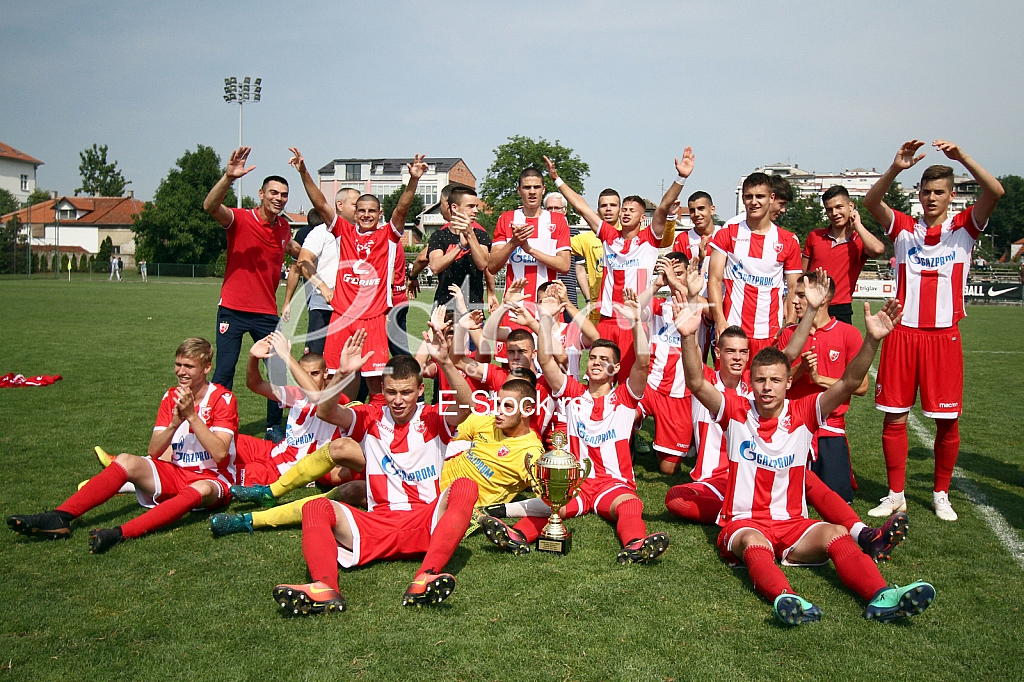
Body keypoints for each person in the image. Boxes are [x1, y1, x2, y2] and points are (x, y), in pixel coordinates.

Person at [677, 292, 935, 625]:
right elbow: (697, 382)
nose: (767, 388)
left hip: (793, 524)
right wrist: (687, 337)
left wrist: (872, 341)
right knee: (755, 542)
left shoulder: (804, 411)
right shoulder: (736, 411)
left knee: (834, 534)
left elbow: (849, 382)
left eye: (774, 380)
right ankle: (786, 596)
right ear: (751, 383)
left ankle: (882, 596)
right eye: (760, 380)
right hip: (744, 523)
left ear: (788, 382)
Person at [270, 325, 481, 614]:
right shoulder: (369, 415)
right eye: (392, 391)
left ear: (420, 390)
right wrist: (343, 374)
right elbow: (326, 412)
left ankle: (427, 575)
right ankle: (324, 586)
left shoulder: (432, 416)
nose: (398, 399)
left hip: (424, 520)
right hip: (377, 524)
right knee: (316, 507)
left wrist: (445, 362)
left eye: (406, 392)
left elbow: (469, 405)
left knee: (466, 487)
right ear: (382, 389)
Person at [664, 320, 907, 563]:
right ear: (717, 353)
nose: (736, 358)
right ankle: (743, 514)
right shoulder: (708, 380)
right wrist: (690, 327)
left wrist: (810, 312)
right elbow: (693, 370)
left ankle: (864, 534)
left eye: (742, 352)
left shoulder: (758, 381)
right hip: (715, 481)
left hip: (761, 472)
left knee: (802, 474)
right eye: (729, 351)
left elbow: (788, 356)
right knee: (675, 499)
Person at [864, 140, 1004, 521]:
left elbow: (996, 191)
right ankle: (895, 495)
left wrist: (962, 158)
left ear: (951, 195)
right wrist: (895, 168)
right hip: (903, 332)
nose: (930, 198)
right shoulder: (905, 228)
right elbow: (871, 203)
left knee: (947, 420)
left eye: (938, 192)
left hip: (943, 335)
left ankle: (941, 493)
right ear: (918, 194)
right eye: (925, 191)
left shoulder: (966, 227)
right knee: (894, 416)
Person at [480, 289, 670, 564]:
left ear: (616, 369)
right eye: (593, 357)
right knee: (552, 505)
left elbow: (642, 363)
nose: (596, 363)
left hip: (614, 484)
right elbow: (545, 361)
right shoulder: (572, 392)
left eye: (604, 360)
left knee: (629, 505)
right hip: (577, 483)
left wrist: (637, 323)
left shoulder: (625, 398)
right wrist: (544, 320)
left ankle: (635, 545)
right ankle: (516, 536)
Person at [7, 338, 239, 554]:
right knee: (126, 459)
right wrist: (173, 425)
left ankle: (119, 534)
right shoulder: (171, 396)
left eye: (189, 366)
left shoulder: (222, 398)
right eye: (178, 364)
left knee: (201, 489)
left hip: (212, 478)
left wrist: (192, 416)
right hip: (177, 472)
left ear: (206, 368)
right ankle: (60, 517)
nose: (180, 371)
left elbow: (220, 455)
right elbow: (154, 451)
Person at [546, 150, 694, 381]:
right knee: (599, 379)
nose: (625, 213)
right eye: (623, 209)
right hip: (606, 320)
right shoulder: (609, 235)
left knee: (628, 380)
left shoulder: (649, 238)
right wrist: (557, 179)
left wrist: (681, 178)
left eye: (631, 210)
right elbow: (582, 208)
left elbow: (664, 206)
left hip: (632, 321)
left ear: (642, 216)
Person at [289, 148, 426, 398]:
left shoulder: (388, 235)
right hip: (342, 315)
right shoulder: (344, 231)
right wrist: (303, 172)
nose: (366, 215)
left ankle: (375, 428)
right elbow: (320, 203)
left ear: (379, 213)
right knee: (338, 377)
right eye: (361, 210)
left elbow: (402, 209)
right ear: (355, 212)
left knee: (375, 383)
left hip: (373, 318)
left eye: (371, 211)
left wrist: (414, 179)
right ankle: (342, 423)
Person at [203, 146, 293, 442]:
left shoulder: (284, 228)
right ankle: (215, 427)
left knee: (277, 371)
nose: (279, 198)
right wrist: (228, 178)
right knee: (224, 372)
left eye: (283, 195)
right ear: (261, 194)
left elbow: (294, 251)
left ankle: (273, 426)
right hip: (232, 309)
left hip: (267, 314)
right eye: (274, 193)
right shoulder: (240, 219)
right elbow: (210, 207)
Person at [776, 271, 868, 502]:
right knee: (784, 498)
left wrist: (820, 379)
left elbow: (862, 387)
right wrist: (801, 370)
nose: (793, 301)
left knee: (837, 499)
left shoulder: (849, 334)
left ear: (822, 297)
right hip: (792, 427)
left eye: (801, 295)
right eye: (793, 295)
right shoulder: (788, 334)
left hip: (830, 428)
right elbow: (777, 385)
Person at [707, 172, 802, 358]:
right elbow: (714, 279)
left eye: (760, 196)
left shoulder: (788, 240)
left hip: (770, 334)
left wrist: (789, 326)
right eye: (749, 196)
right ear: (743, 199)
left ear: (771, 197)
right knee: (728, 387)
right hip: (734, 332)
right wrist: (719, 319)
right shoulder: (726, 234)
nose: (754, 202)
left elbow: (793, 288)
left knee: (765, 387)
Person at [636, 253, 705, 474]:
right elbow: (634, 310)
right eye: (668, 274)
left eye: (678, 274)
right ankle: (621, 454)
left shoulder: (700, 303)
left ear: (688, 275)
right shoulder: (659, 306)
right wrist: (657, 283)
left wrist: (676, 284)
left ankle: (687, 440)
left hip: (680, 393)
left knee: (668, 469)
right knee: (622, 415)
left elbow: (707, 309)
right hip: (651, 385)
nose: (672, 279)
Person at [487, 167, 571, 328]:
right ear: (519, 190)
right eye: (527, 187)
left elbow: (564, 265)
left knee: (548, 352)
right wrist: (513, 242)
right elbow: (492, 266)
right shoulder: (507, 219)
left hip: (548, 306)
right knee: (514, 353)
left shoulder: (558, 221)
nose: (532, 192)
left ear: (543, 189)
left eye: (536, 187)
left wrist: (529, 249)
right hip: (514, 307)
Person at [802, 186, 886, 324]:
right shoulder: (815, 236)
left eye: (839, 207)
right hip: (812, 305)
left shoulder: (859, 240)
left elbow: (878, 250)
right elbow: (803, 275)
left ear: (851, 206)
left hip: (840, 308)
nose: (834, 213)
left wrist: (857, 225)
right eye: (829, 209)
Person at [296, 193, 358, 357]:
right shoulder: (321, 232)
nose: (360, 210)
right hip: (323, 307)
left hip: (354, 310)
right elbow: (303, 261)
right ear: (340, 205)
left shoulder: (365, 235)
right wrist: (324, 288)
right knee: (317, 361)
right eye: (355, 205)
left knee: (353, 362)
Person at [672, 191, 721, 359]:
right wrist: (699, 260)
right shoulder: (683, 239)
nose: (696, 214)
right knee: (694, 359)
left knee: (721, 360)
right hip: (695, 306)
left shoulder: (725, 235)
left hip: (721, 307)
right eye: (692, 210)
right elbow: (677, 275)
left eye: (701, 209)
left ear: (712, 209)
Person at [427, 186, 491, 309]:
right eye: (471, 206)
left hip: (473, 308)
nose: (476, 210)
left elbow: (483, 264)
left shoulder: (480, 235)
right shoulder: (439, 236)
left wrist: (470, 235)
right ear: (455, 208)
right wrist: (460, 246)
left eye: (476, 206)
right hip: (444, 308)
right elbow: (435, 267)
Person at [544, 191, 580, 310]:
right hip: (545, 295)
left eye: (557, 208)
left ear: (565, 210)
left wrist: (588, 298)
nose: (553, 212)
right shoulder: (539, 234)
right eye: (549, 208)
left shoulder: (575, 234)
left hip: (568, 296)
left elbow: (579, 269)